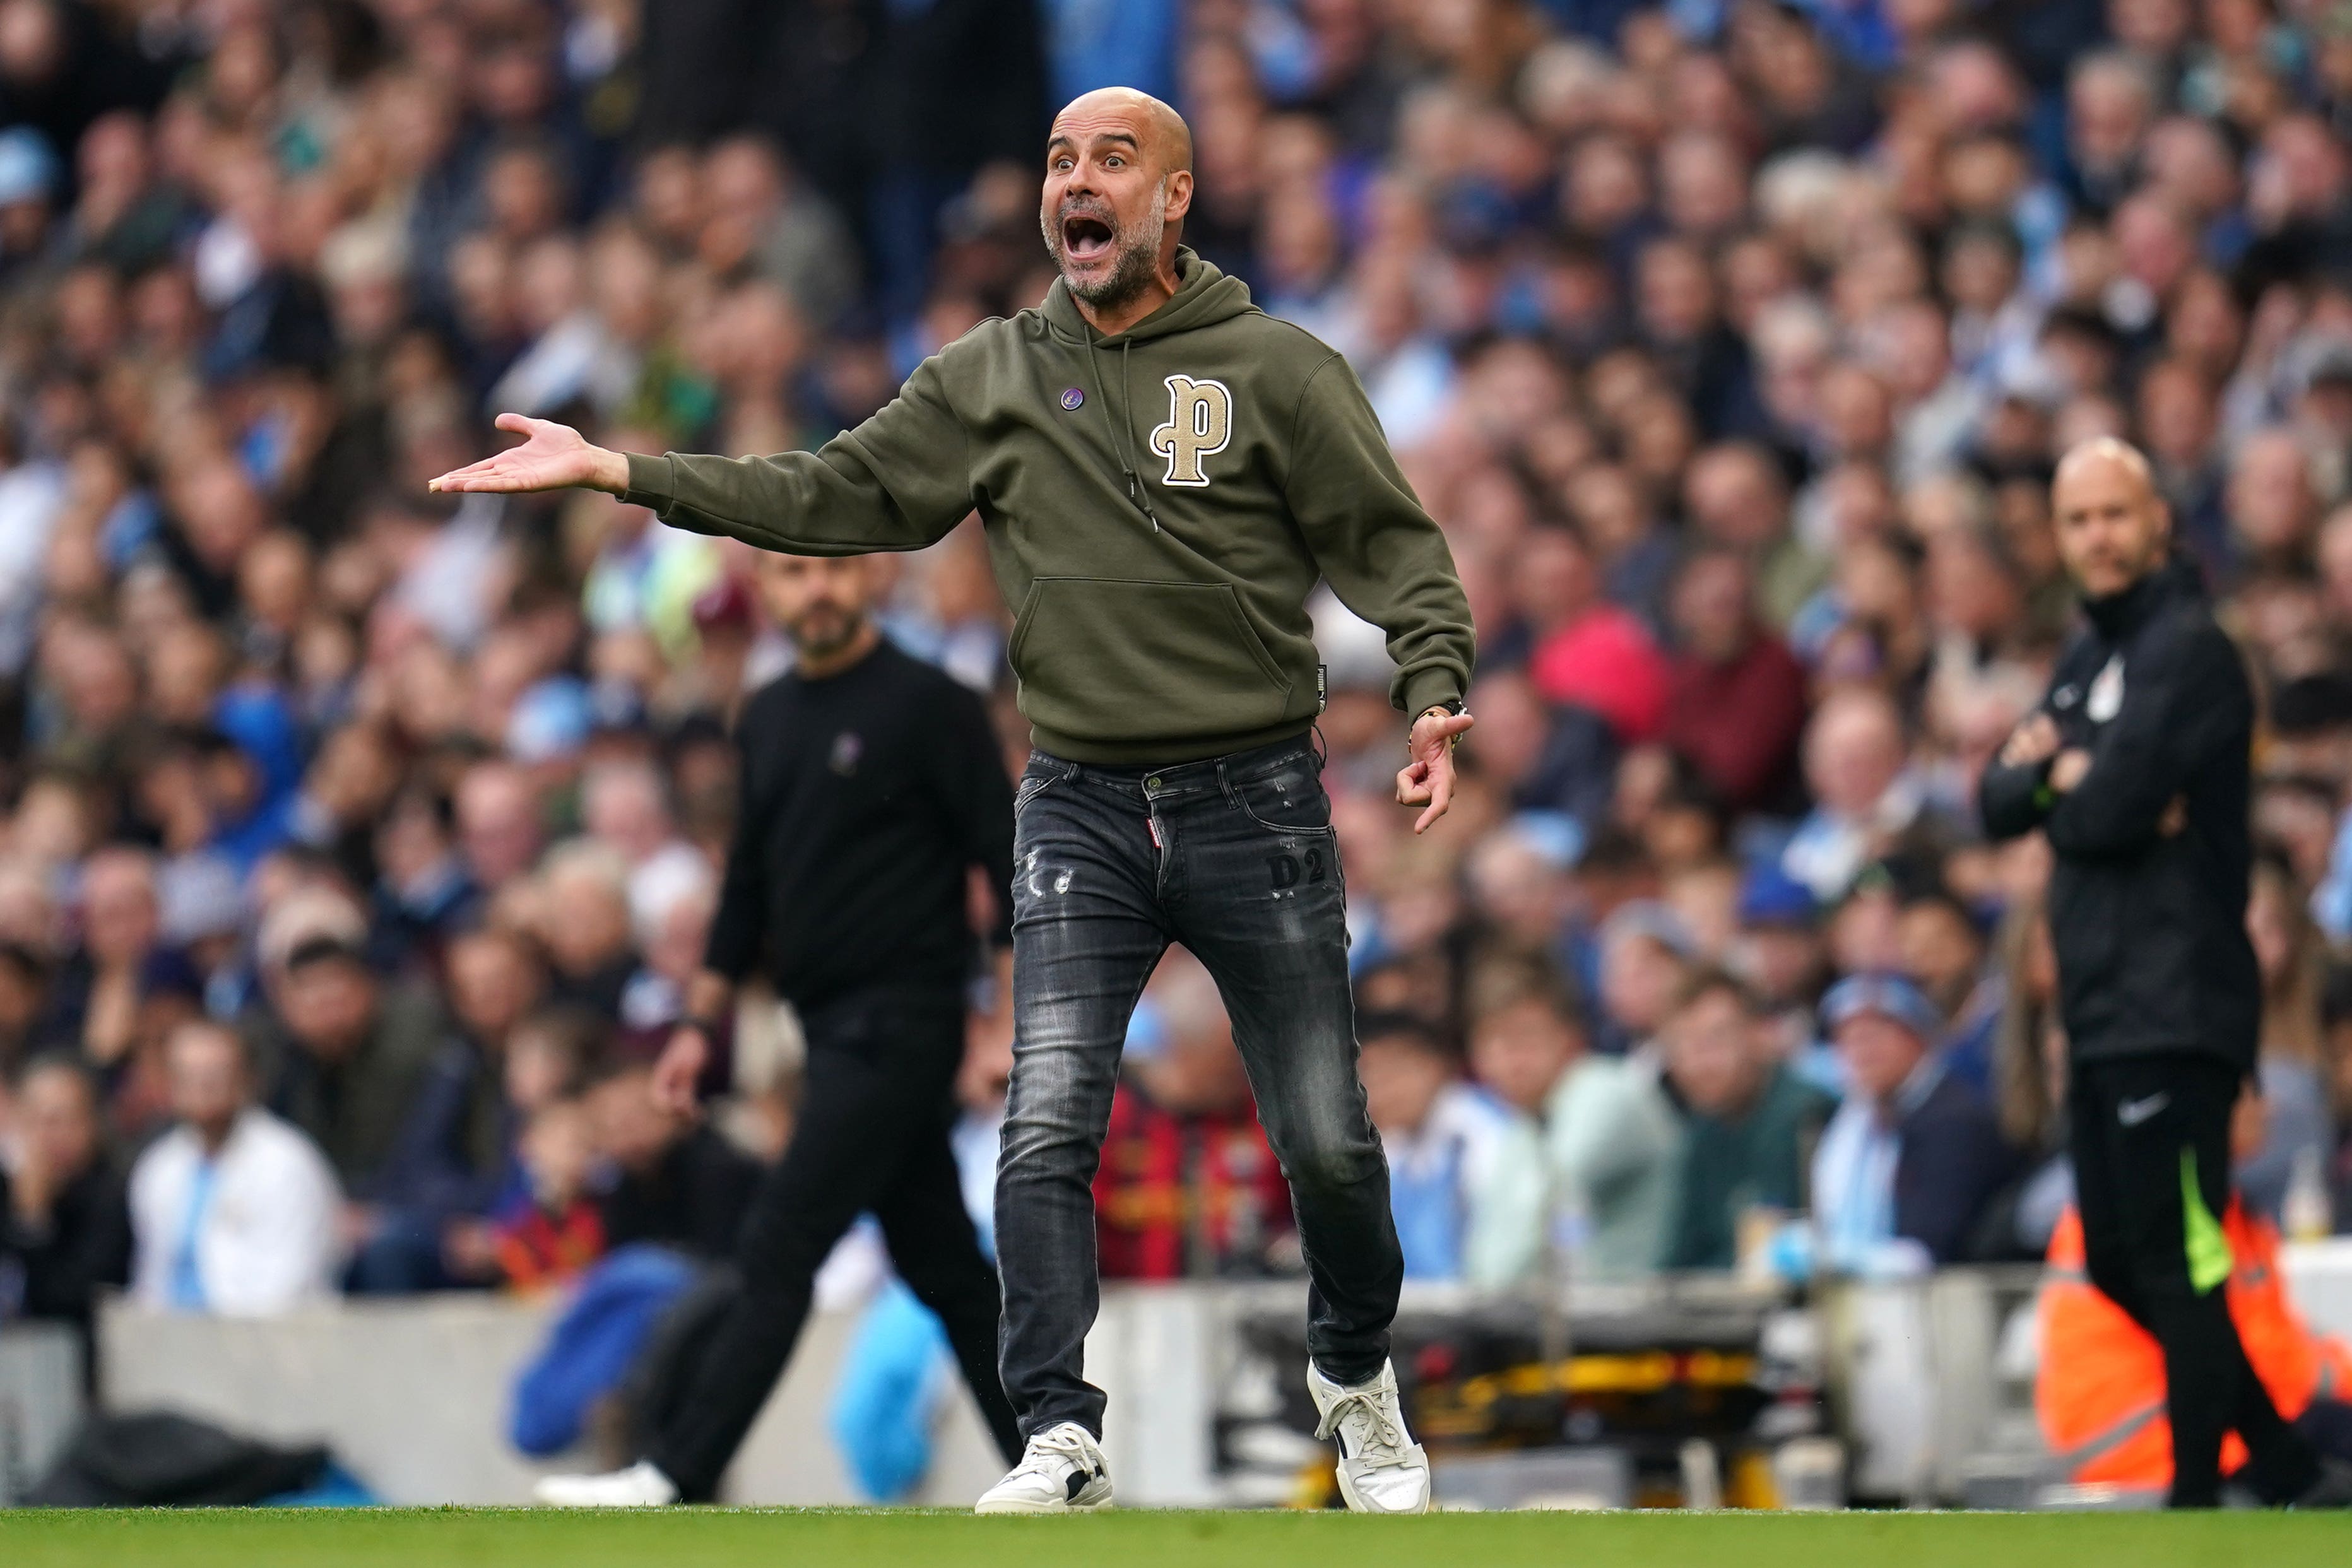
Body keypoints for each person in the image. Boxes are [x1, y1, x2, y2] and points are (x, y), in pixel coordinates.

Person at [432, 86, 1474, 1515]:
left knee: (1330, 1149)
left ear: (1173, 198)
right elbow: (829, 493)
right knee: (1042, 1124)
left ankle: (1353, 1377)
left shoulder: (1273, 366)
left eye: (1112, 160)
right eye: (1057, 161)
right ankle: (1055, 1430)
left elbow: (1393, 544)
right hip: (1081, 805)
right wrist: (624, 470)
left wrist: (1430, 685)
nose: (1074, 184)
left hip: (1256, 800)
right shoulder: (989, 373)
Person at [533, 546, 1024, 1506]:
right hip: (828, 1024)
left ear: (876, 576)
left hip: (906, 1019)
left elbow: (1005, 865)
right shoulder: (764, 716)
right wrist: (694, 1022)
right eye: (797, 574)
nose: (819, 589)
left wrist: (1000, 1019)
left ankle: (675, 1469)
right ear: (768, 590)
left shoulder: (932, 703)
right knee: (946, 1269)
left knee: (779, 1241)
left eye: (837, 570)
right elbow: (748, 888)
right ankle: (1055, 1455)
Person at [1981, 437, 2349, 1507]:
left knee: (2180, 1258)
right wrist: (2070, 781)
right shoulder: (2086, 659)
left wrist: (2063, 781)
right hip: (2098, 1007)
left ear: (2156, 522)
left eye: (2113, 514)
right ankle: (2278, 1459)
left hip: (2176, 1000)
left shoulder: (2189, 647)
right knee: (2114, 1262)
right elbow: (1996, 801)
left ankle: (2196, 1502)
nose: (2096, 537)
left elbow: (2099, 811)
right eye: (2076, 519)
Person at [126, 1018, 341, 1316]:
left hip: (269, 1347)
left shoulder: (286, 1163)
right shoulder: (158, 1167)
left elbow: (288, 1290)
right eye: (189, 1075)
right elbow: (152, 1280)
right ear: (169, 1084)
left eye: (217, 1073)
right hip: (173, 1344)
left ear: (249, 1079)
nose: (203, 1085)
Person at [1809, 972, 2017, 1275]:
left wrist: (1837, 1258)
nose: (1862, 1052)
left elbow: (1927, 1248)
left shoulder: (1956, 1119)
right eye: (1848, 1039)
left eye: (1875, 1035)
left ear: (1918, 1036)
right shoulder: (1857, 1121)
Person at [1658, 969, 1831, 1272]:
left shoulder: (1804, 1116)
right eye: (1683, 1045)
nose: (1699, 1062)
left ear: (1759, 1035)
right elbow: (1678, 1259)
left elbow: (1774, 1259)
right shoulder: (1702, 1129)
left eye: (1715, 1040)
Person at [0, 1054, 131, 1336]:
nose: (55, 1136)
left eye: (70, 1120)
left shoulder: (112, 1197)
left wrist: (33, 1221)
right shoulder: (6, 1186)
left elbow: (71, 1304)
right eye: (43, 1121)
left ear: (94, 1124)